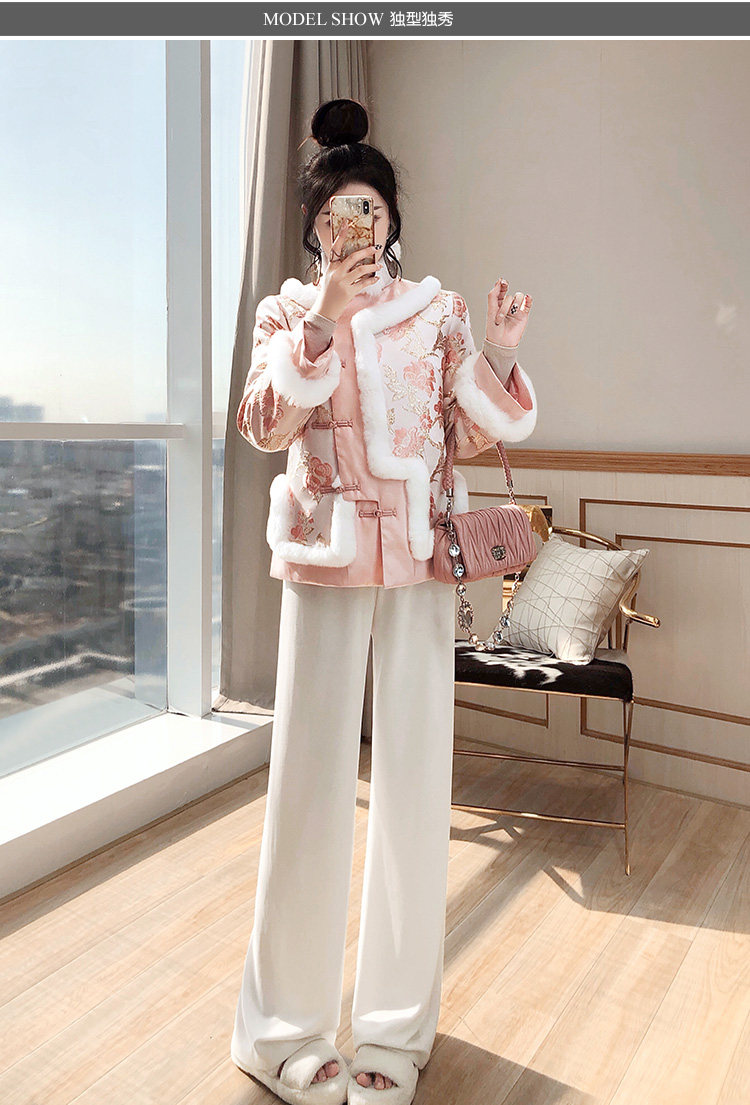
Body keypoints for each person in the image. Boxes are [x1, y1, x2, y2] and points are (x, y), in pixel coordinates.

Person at [230, 98, 538, 1105]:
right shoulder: (286, 315)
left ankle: (396, 1033)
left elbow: (476, 433)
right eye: (335, 213)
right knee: (309, 785)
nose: (354, 224)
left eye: (368, 207)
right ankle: (280, 1031)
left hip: (417, 558)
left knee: (413, 789)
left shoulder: (437, 315)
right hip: (323, 557)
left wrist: (497, 354)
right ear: (313, 228)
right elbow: (263, 427)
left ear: (392, 218)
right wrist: (320, 320)